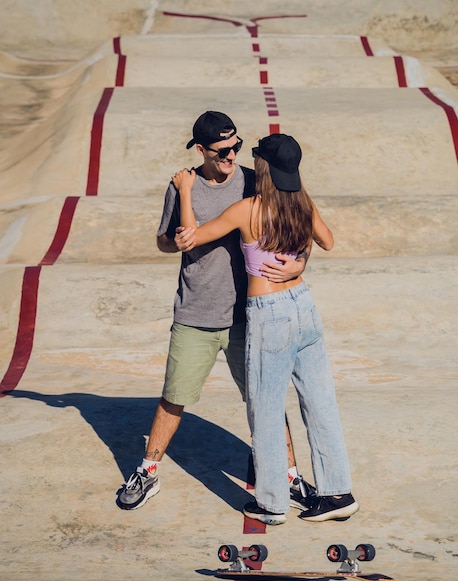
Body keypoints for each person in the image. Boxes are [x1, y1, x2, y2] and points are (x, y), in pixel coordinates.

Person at [117, 112, 311, 511]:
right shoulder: (183, 186)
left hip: (251, 314)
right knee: (174, 397)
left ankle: (288, 475)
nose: (231, 155)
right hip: (196, 314)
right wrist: (177, 240)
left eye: (236, 147)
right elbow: (164, 243)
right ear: (201, 150)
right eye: (223, 150)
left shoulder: (254, 180)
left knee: (265, 399)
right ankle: (148, 471)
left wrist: (301, 261)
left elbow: (297, 220)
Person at [173, 133, 359, 524]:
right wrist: (300, 261)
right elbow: (327, 239)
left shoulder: (248, 210)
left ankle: (273, 503)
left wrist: (186, 191)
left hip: (269, 312)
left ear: (263, 168)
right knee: (320, 402)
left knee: (267, 410)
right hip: (304, 306)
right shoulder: (302, 203)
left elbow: (191, 241)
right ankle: (337, 493)